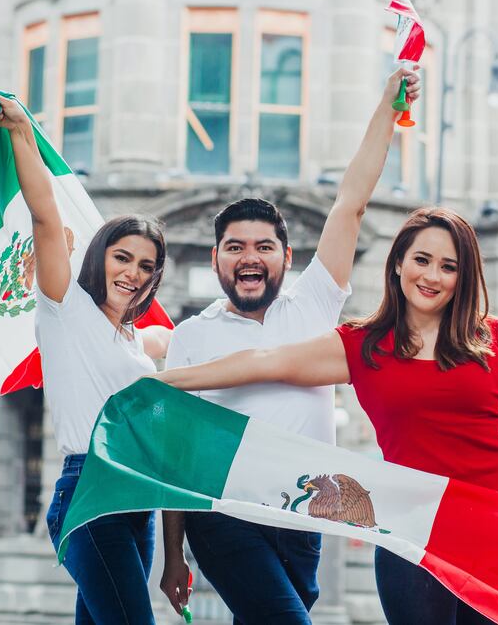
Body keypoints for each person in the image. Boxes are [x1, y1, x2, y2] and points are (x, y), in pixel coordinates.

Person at [157, 206, 498, 625]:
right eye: (422, 260)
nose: (432, 276)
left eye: (448, 266)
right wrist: (162, 383)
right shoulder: (363, 345)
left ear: (463, 276)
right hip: (414, 524)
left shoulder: (490, 339)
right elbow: (264, 362)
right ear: (399, 265)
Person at [158, 67, 421, 624]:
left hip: (306, 515)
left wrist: (386, 110)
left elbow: (351, 203)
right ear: (216, 260)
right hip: (224, 512)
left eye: (263, 246)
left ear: (286, 257)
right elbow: (176, 456)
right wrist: (173, 551)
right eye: (234, 247)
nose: (249, 256)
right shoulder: (191, 337)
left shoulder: (312, 307)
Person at [0, 93, 171, 625]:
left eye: (146, 265)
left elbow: (191, 350)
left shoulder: (138, 343)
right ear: (100, 257)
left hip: (138, 503)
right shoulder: (66, 308)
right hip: (90, 490)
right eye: (123, 257)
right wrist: (23, 133)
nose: (133, 273)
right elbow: (46, 217)